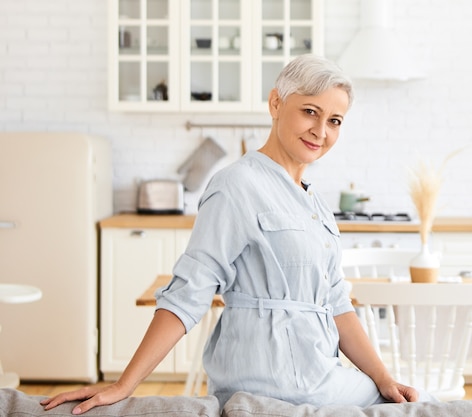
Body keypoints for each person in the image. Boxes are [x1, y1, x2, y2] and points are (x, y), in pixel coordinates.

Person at [41, 54, 435, 415]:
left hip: (317, 373)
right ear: (276, 104)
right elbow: (189, 291)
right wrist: (125, 384)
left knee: (407, 400)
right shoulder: (236, 185)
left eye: (334, 121)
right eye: (310, 112)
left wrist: (384, 379)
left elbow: (336, 304)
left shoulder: (314, 204)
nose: (321, 130)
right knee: (423, 408)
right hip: (276, 381)